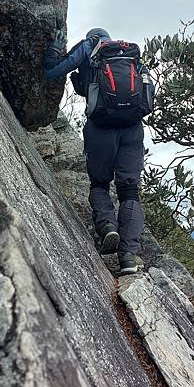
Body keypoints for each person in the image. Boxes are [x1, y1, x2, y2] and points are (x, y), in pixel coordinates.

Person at [44, 27, 154, 275]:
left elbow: (52, 71)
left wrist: (53, 50)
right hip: (132, 129)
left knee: (99, 184)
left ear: (94, 36)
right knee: (130, 193)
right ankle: (128, 257)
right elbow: (149, 93)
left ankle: (107, 227)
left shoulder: (88, 47)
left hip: (100, 128)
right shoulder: (131, 56)